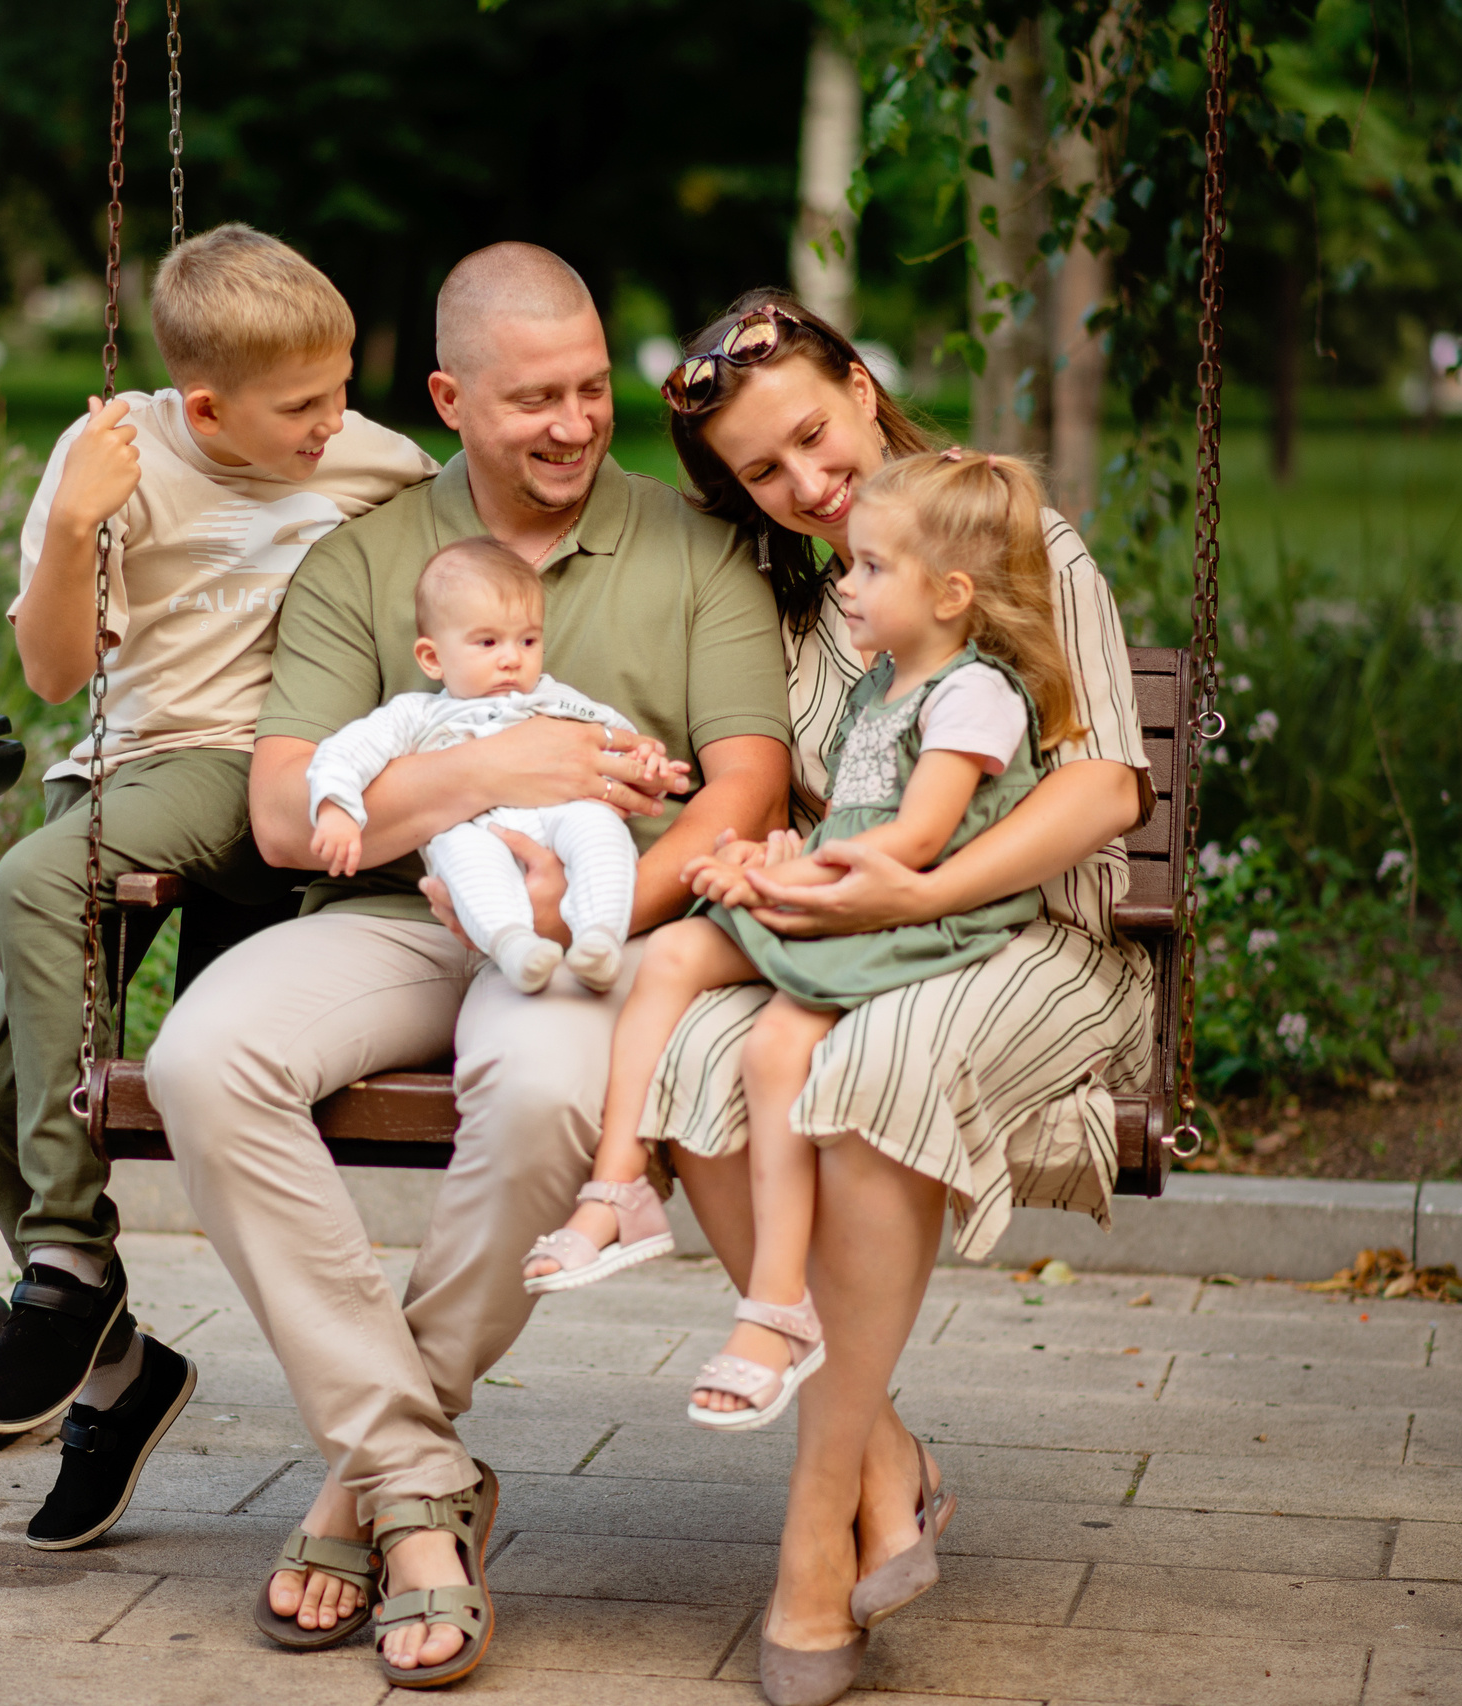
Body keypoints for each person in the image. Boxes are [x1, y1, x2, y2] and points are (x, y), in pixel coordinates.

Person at [143, 241, 792, 1686]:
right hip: (396, 913)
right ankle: (422, 1474)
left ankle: (382, 1490)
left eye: (591, 389)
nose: (572, 424)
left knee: (553, 1091)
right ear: (448, 397)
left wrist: (580, 887)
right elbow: (284, 814)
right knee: (201, 1055)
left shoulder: (697, 551)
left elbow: (745, 789)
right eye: (532, 400)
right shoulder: (369, 558)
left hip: (598, 926)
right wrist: (499, 771)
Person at [624, 291, 1154, 1706]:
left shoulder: (1000, 537)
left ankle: (817, 1528)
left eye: (811, 433)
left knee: (870, 1073)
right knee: (690, 1056)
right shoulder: (801, 601)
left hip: (1033, 941)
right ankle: (886, 1462)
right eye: (763, 471)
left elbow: (1105, 783)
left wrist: (919, 892)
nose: (807, 483)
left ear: (862, 387)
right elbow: (807, 799)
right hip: (858, 942)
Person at [0, 223, 436, 1550]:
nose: (335, 423)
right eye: (304, 406)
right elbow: (52, 676)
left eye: (342, 389)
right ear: (206, 402)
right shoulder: (115, 454)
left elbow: (468, 527)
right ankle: (119, 1367)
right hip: (118, 766)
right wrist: (68, 525)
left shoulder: (374, 458)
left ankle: (62, 1261)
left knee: (42, 874)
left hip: (248, 767)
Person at [524, 449, 1088, 1440]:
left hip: (910, 913)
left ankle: (776, 1307)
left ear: (953, 594)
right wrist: (772, 853)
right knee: (673, 957)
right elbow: (850, 819)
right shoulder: (884, 681)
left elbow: (913, 840)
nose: (849, 582)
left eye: (872, 568)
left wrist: (778, 879)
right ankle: (616, 1189)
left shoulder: (973, 694)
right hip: (843, 885)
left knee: (774, 1048)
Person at [307, 537, 680, 993]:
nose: (511, 658)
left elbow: (617, 744)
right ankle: (515, 946)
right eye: (487, 642)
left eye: (528, 640)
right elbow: (348, 751)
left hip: (560, 812)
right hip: (474, 827)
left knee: (601, 829)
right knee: (461, 856)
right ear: (432, 657)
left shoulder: (556, 699)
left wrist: (649, 768)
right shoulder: (417, 716)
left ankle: (600, 936)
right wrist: (336, 808)